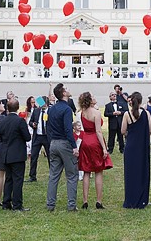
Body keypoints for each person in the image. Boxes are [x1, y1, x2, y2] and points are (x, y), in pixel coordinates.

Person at [46, 83, 79, 212]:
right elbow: (68, 129)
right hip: (64, 143)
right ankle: (71, 205)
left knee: (53, 175)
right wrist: (74, 146)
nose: (69, 90)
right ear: (63, 93)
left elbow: (47, 127)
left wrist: (51, 141)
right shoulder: (66, 109)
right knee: (71, 175)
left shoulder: (52, 108)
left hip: (53, 142)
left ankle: (50, 204)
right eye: (66, 89)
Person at [78, 92, 112, 209]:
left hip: (85, 140)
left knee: (86, 171)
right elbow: (98, 131)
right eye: (93, 96)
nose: (95, 97)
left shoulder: (82, 112)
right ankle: (98, 200)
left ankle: (85, 200)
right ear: (90, 100)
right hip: (94, 141)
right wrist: (104, 147)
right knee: (98, 170)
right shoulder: (96, 113)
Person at [0, 97, 31, 211]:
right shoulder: (19, 121)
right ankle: (17, 204)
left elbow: (0, 136)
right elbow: (27, 137)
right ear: (17, 108)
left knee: (8, 179)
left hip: (6, 152)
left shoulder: (2, 120)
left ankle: (6, 202)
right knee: (17, 180)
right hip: (17, 154)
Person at [121, 92, 151, 208]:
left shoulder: (126, 114)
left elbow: (123, 131)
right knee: (142, 172)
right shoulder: (146, 114)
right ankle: (142, 199)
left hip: (131, 147)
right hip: (142, 147)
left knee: (130, 174)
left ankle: (130, 198)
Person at [27, 97, 50, 182]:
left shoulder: (50, 111)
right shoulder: (36, 111)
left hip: (47, 137)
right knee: (34, 156)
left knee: (50, 156)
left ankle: (52, 175)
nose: (41, 105)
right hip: (37, 136)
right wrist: (32, 124)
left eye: (42, 103)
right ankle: (32, 176)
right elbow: (30, 122)